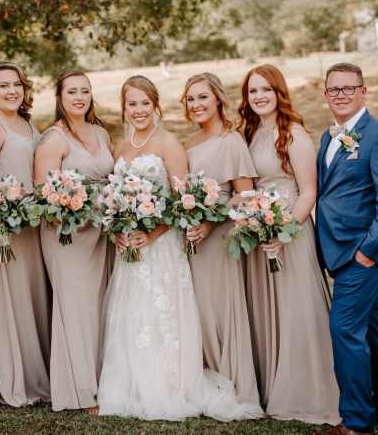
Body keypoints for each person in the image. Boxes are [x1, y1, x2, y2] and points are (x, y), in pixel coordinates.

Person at [97, 75, 263, 422]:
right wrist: (117, 231)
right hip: (129, 248)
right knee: (132, 315)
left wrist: (152, 235)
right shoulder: (120, 147)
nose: (138, 110)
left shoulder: (170, 144)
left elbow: (180, 204)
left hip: (161, 246)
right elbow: (113, 198)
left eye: (145, 103)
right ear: (123, 108)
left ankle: (170, 386)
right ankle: (130, 386)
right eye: (132, 103)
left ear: (155, 105)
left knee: (162, 315)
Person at [238, 64, 339, 425]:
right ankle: (271, 385)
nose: (259, 96)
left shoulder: (293, 134)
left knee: (296, 307)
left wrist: (284, 234)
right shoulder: (249, 134)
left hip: (290, 233)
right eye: (252, 91)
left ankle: (308, 393)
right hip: (259, 232)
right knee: (268, 308)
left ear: (278, 92)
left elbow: (309, 191)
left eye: (266, 89)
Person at [314, 63, 378, 435]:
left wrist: (368, 250)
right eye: (333, 89)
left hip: (362, 251)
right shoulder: (329, 136)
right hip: (337, 247)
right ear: (326, 95)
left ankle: (355, 422)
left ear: (363, 91)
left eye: (348, 88)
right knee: (375, 325)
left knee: (344, 329)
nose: (340, 95)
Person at [0, 61, 50, 407]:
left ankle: (40, 372)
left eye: (17, 84)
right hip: (4, 231)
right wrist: (0, 227)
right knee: (11, 301)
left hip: (32, 226)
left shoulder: (26, 122)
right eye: (3, 85)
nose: (12, 91)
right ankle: (15, 378)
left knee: (32, 298)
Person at [180, 72, 262, 412]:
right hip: (191, 240)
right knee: (198, 310)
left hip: (220, 239)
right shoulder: (188, 143)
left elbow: (245, 195)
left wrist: (211, 222)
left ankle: (234, 384)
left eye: (202, 97)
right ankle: (206, 380)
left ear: (217, 99)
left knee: (221, 310)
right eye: (190, 99)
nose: (196, 104)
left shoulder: (232, 141)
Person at [34, 70, 114, 413]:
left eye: (85, 91)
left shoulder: (101, 132)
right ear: (60, 97)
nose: (79, 97)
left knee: (99, 306)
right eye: (72, 92)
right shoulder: (53, 139)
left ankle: (103, 380)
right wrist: (72, 210)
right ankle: (80, 391)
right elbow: (43, 194)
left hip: (101, 233)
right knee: (76, 307)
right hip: (67, 235)